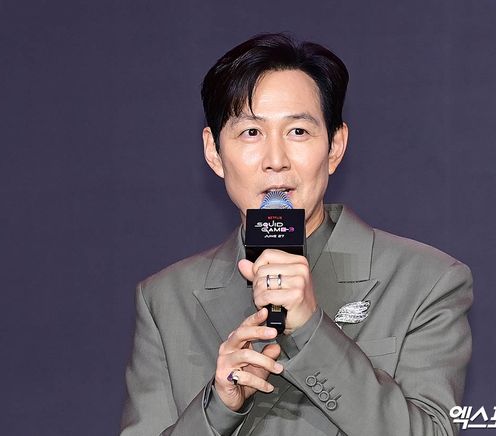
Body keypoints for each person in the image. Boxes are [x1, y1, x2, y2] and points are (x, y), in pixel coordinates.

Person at [120, 33, 473, 436]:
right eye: (251, 133)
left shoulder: (425, 281)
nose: (276, 160)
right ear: (214, 152)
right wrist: (218, 409)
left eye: (298, 132)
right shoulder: (166, 299)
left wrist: (312, 332)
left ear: (335, 146)